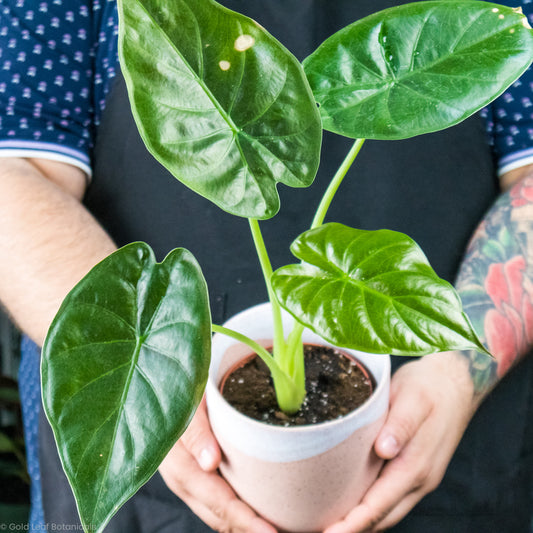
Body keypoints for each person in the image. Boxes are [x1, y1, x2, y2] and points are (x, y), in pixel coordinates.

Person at [0, 0, 532, 532]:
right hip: (162, 473)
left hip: (446, 432)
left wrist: (462, 370)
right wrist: (157, 395)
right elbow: (15, 170)